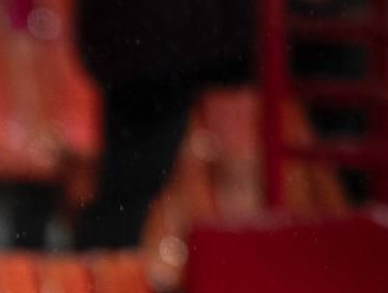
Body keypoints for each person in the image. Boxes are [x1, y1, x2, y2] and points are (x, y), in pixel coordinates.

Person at [73, 0, 254, 249]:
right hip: (158, 48)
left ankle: (110, 264)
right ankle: (111, 267)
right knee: (130, 193)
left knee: (128, 194)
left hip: (151, 47)